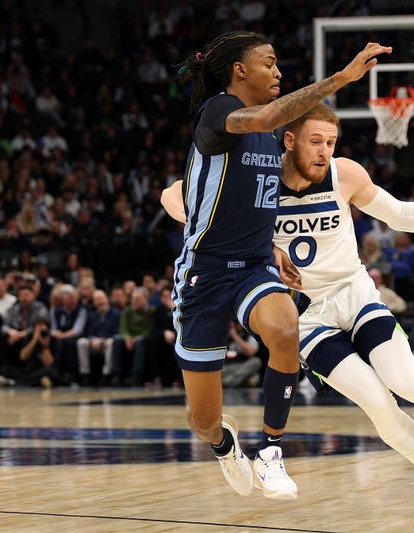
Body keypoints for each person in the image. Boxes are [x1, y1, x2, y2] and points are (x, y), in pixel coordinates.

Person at [164, 104, 414, 518]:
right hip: (307, 316)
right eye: (316, 141)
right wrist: (208, 221)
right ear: (290, 140)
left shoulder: (343, 173)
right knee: (377, 404)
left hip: (355, 296)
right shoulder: (254, 180)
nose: (324, 152)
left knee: (410, 383)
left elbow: (398, 213)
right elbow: (172, 194)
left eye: (331, 143)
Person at [163, 32, 391, 499]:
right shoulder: (218, 114)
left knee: (286, 328)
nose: (278, 72)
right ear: (239, 70)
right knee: (202, 420)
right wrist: (343, 78)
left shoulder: (268, 140)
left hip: (251, 265)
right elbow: (268, 115)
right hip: (204, 273)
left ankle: (270, 451)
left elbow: (255, 205)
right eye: (269, 63)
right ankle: (225, 444)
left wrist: (272, 248)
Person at [77, 290, 121, 386]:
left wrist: (104, 340)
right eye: (97, 300)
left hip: (108, 341)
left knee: (111, 342)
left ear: (107, 299)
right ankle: (85, 374)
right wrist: (91, 340)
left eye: (101, 299)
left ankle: (106, 374)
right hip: (95, 342)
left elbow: (118, 333)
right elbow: (87, 333)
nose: (100, 302)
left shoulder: (116, 314)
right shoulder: (92, 315)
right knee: (82, 342)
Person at [222, 321, 262, 388]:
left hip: (242, 365)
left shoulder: (248, 334)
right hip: (227, 367)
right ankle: (237, 382)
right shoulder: (223, 336)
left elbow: (251, 352)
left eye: (233, 325)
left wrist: (234, 335)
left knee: (256, 361)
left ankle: (225, 382)